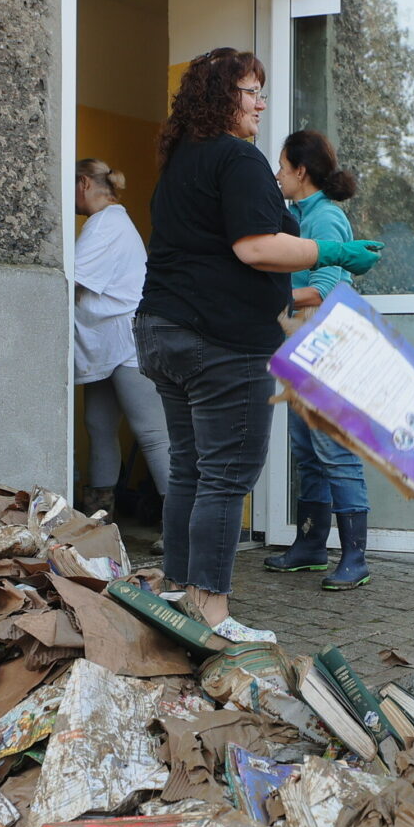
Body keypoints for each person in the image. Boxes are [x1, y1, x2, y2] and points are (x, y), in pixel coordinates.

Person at [135, 48, 384, 636]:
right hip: (220, 343)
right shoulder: (237, 158)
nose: (261, 104)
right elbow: (254, 247)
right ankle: (213, 614)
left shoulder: (180, 161)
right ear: (224, 96)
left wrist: (294, 290)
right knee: (224, 477)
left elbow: (221, 259)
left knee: (191, 470)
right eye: (252, 92)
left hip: (163, 333)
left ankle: (178, 592)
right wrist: (332, 252)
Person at [263, 129, 374, 590]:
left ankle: (355, 558)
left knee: (335, 451)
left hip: (329, 347)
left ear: (301, 172)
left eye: (283, 168)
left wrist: (270, 296)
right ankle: (310, 545)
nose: (277, 175)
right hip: (300, 347)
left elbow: (327, 287)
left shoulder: (325, 219)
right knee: (307, 451)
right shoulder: (294, 215)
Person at [72, 157, 172, 519]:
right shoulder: (113, 222)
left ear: (84, 184)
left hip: (126, 343)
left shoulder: (105, 225)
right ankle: (99, 518)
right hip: (103, 344)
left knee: (151, 433)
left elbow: (73, 280)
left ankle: (179, 528)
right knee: (98, 427)